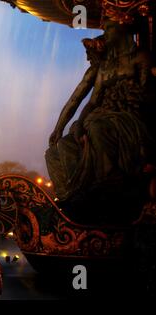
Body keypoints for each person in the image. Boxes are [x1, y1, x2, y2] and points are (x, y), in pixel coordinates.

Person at [46, 21, 156, 224]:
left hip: (129, 119)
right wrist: (68, 126)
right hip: (102, 117)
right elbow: (91, 101)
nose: (106, 32)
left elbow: (147, 95)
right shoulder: (105, 68)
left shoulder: (140, 58)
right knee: (58, 149)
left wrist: (128, 97)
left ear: (122, 31)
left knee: (97, 128)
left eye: (110, 28)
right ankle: (71, 193)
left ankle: (109, 183)